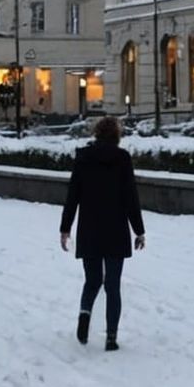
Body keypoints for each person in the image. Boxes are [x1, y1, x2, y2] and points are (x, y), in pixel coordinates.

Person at [59, 116, 145, 353]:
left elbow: (72, 195)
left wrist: (65, 227)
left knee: (93, 280)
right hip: (116, 228)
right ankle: (111, 338)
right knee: (113, 286)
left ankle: (84, 316)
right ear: (116, 135)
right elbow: (131, 197)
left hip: (90, 229)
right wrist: (139, 230)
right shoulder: (122, 159)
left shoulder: (84, 158)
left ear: (96, 133)